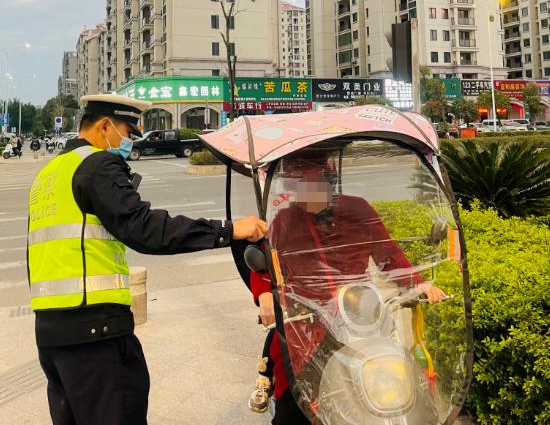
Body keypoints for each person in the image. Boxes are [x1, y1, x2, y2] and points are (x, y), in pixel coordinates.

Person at [27, 94, 268, 425]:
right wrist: (227, 230)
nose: (129, 141)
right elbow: (146, 229)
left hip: (51, 334)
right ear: (105, 125)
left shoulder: (49, 173)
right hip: (96, 333)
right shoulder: (97, 164)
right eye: (127, 131)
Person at [247, 152, 446, 424]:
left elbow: (389, 255)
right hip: (309, 320)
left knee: (407, 381)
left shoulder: (358, 210)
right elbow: (265, 262)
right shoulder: (284, 222)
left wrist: (417, 283)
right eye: (299, 187)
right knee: (293, 402)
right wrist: (265, 298)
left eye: (315, 184)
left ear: (330, 182)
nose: (307, 194)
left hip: (361, 313)